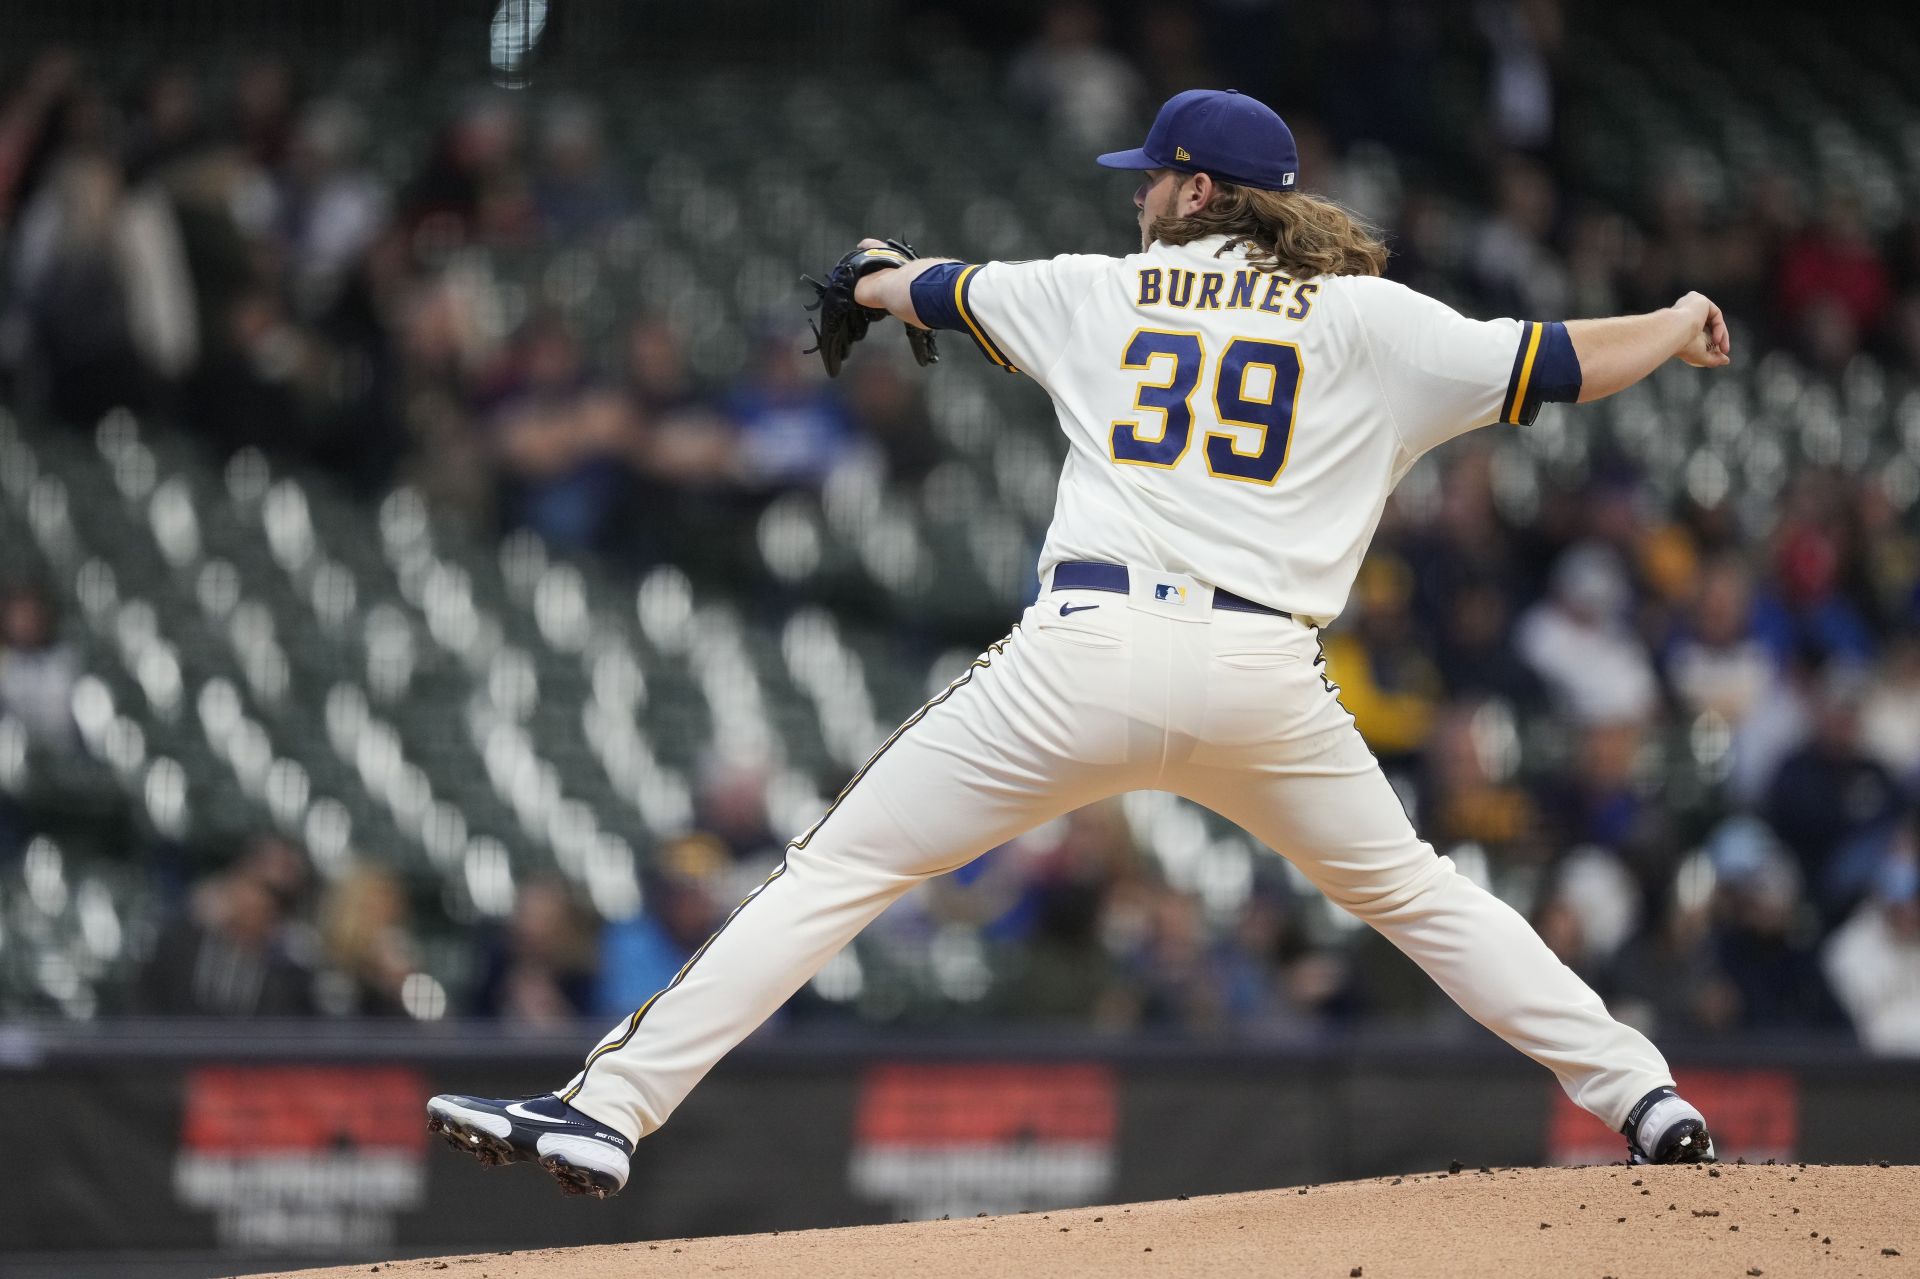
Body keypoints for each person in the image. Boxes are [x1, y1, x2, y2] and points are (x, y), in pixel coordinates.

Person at [429, 87, 1731, 1197]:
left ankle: (607, 1111)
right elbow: (1565, 360)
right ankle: (1647, 1100)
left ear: (1200, 188)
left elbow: (920, 286)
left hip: (1087, 652)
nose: (1136, 197)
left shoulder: (1091, 292)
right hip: (1263, 676)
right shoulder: (1372, 320)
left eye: (1153, 178)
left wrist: (874, 281)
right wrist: (1677, 320)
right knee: (1420, 896)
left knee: (839, 872)